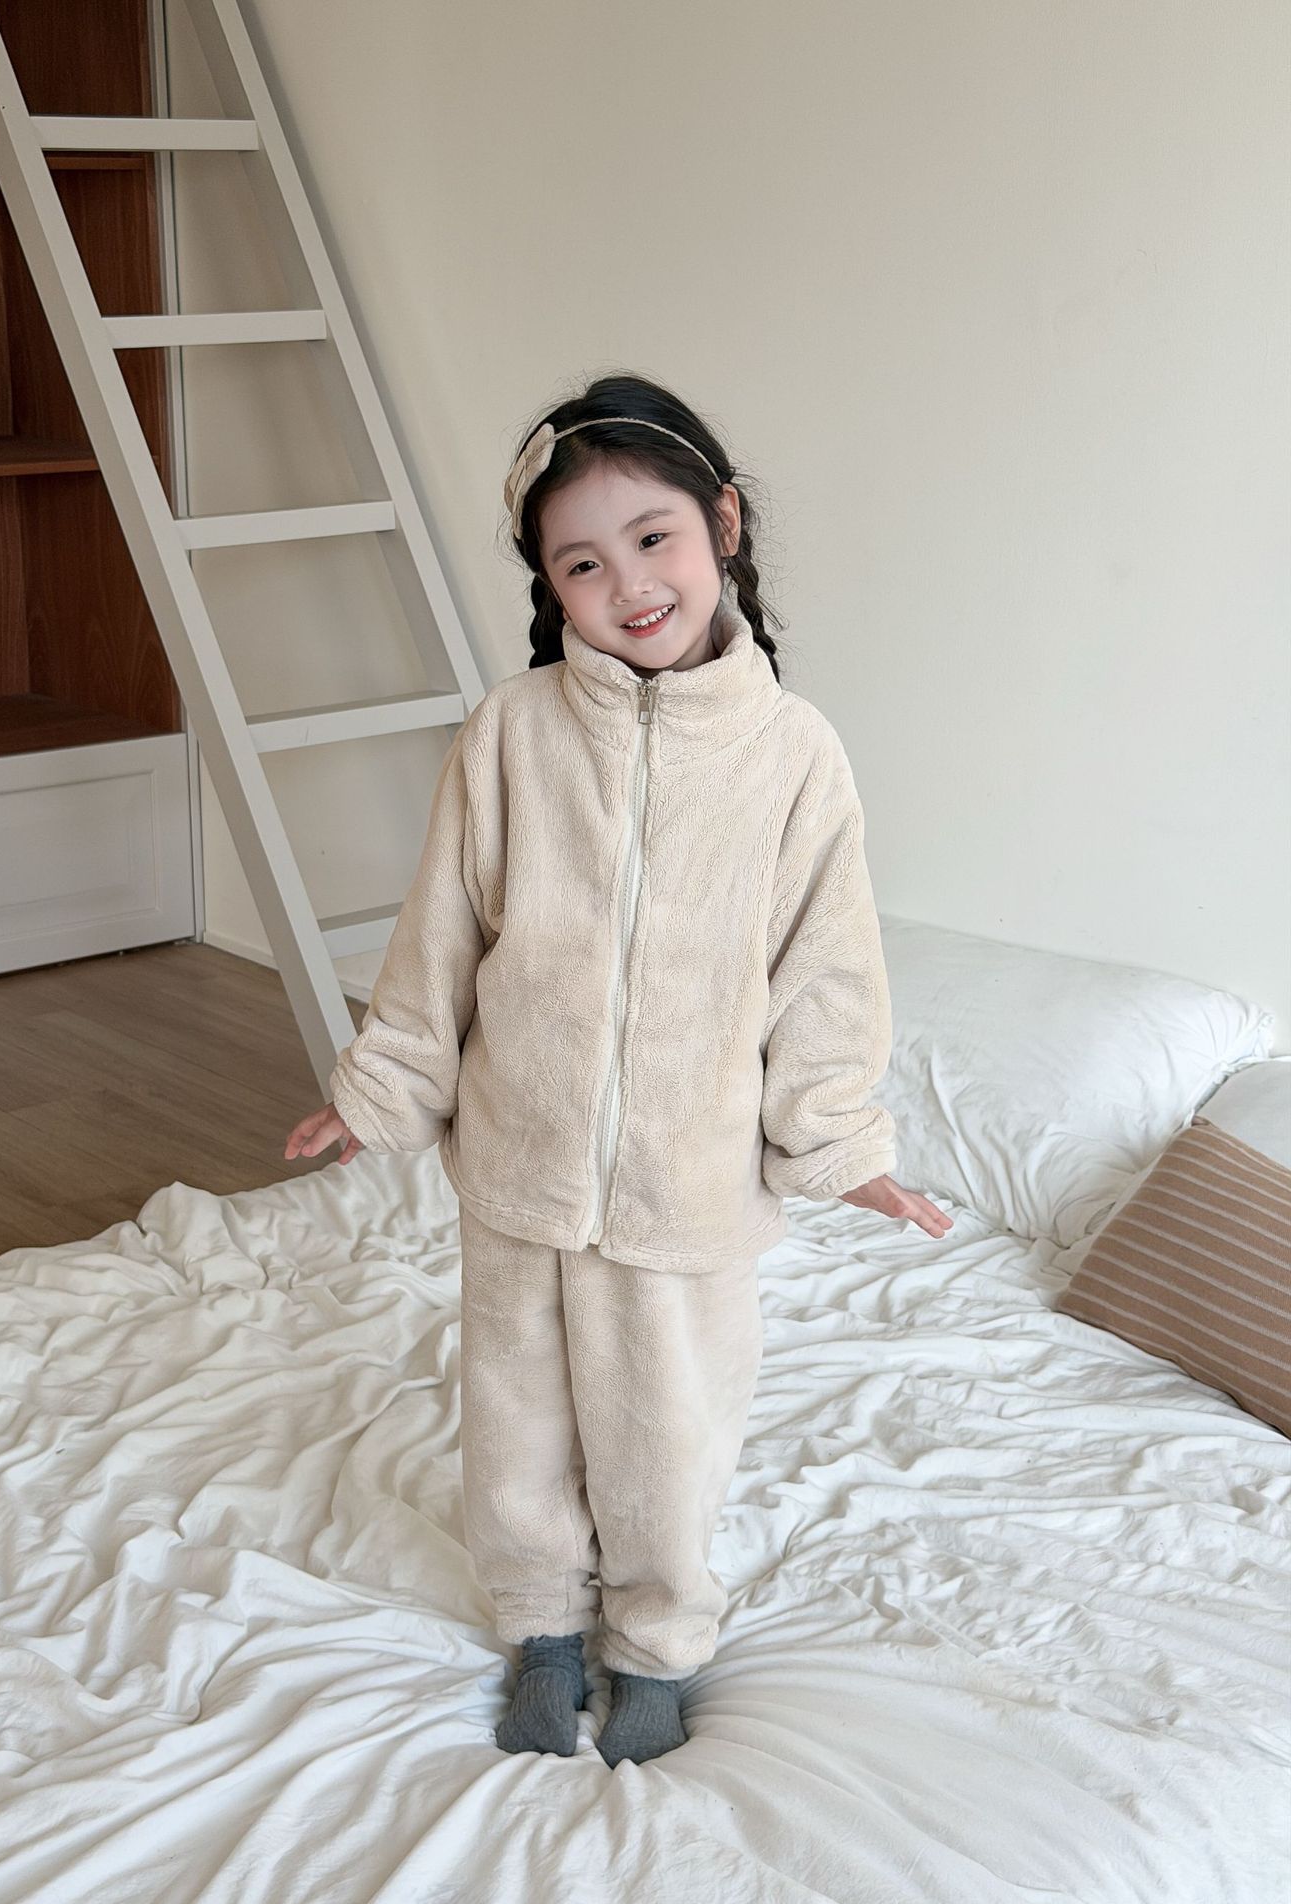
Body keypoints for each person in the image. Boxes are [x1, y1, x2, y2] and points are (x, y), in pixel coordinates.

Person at [284, 372, 953, 1768]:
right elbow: (442, 933)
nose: (629, 584)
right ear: (549, 583)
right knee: (517, 1419)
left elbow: (827, 972)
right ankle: (540, 1625)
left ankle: (655, 1644)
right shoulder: (512, 733)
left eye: (654, 538)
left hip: (687, 1187)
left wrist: (842, 1144)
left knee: (665, 1436)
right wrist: (381, 1088)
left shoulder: (793, 756)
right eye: (582, 561)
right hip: (518, 1165)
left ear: (724, 526)